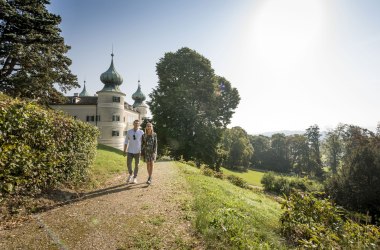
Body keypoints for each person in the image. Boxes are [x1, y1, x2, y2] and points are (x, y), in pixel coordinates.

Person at [123, 119, 144, 184]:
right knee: (128, 164)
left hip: (138, 151)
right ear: (133, 124)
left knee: (137, 165)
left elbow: (143, 142)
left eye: (137, 123)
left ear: (139, 125)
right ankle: (130, 174)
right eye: (135, 123)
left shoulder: (141, 132)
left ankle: (135, 177)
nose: (136, 124)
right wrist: (124, 150)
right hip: (130, 151)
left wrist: (142, 151)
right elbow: (126, 141)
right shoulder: (129, 132)